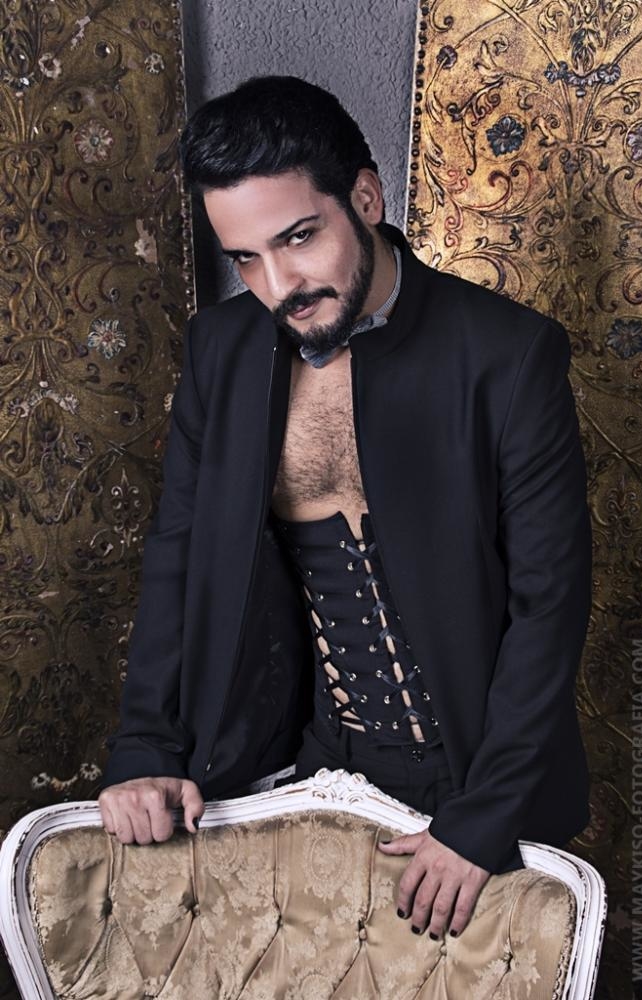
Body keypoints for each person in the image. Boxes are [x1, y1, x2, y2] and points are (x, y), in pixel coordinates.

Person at [98, 75, 592, 943]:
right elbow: (178, 555)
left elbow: (548, 602)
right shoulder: (221, 350)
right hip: (304, 767)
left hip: (481, 781)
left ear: (365, 198)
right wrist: (147, 745)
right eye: (245, 258)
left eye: (298, 238)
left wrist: (483, 817)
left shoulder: (508, 354)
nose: (277, 285)